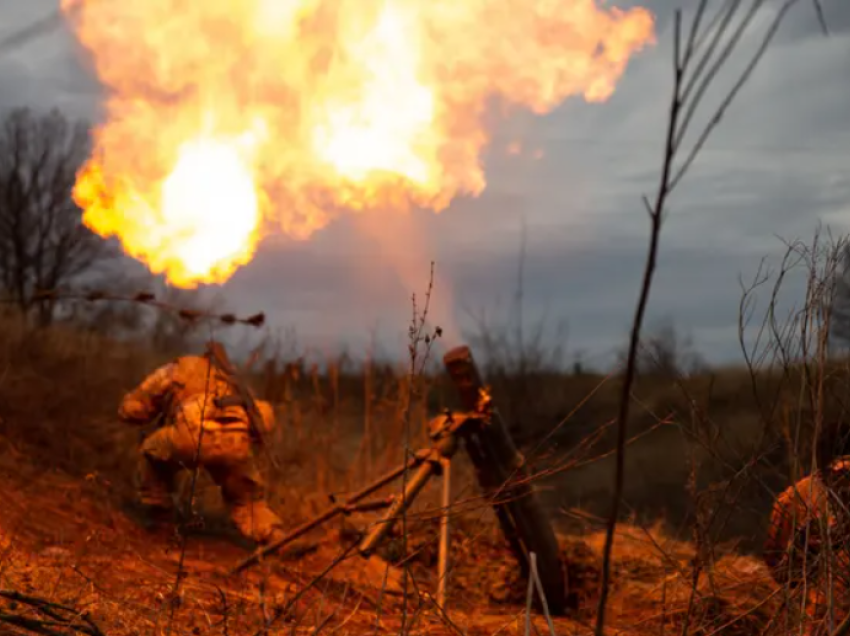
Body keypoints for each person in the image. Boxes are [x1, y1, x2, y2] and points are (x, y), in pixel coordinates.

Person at [118, 342, 285, 546]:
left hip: (190, 438)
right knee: (247, 497)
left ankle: (160, 519)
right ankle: (274, 537)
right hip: (235, 442)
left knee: (151, 451)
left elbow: (133, 410)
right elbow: (259, 425)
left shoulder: (178, 369)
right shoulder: (234, 380)